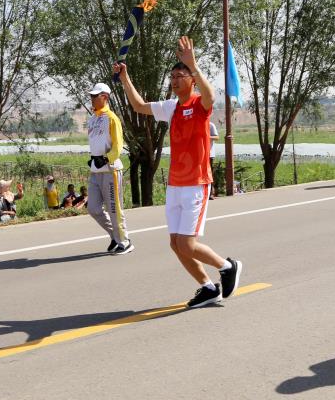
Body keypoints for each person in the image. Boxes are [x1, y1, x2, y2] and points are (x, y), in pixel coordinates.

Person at [113, 36, 242, 308]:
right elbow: (138, 106)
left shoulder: (199, 105)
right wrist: (125, 78)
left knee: (187, 243)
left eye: (179, 75)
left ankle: (227, 266)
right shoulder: (171, 107)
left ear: (191, 80)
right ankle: (208, 288)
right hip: (175, 184)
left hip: (196, 183)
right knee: (175, 244)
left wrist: (192, 64)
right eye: (171, 76)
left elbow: (212, 96)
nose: (174, 80)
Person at [86, 82, 133, 255]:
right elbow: (96, 143)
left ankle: (125, 242)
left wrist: (105, 158)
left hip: (110, 170)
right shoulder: (92, 119)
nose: (91, 98)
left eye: (95, 96)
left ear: (104, 97)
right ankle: (115, 235)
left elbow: (118, 146)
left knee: (114, 209)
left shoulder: (112, 118)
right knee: (93, 208)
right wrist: (93, 159)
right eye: (91, 95)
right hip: (95, 170)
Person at [209, 121, 219, 199]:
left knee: (209, 174)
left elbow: (216, 137)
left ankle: (211, 193)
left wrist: (207, 136)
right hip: (198, 155)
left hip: (209, 154)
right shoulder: (196, 123)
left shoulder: (211, 124)